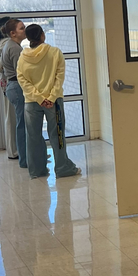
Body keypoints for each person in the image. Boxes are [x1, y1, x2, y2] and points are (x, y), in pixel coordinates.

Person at [17, 24, 81, 180]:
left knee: (33, 137)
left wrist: (38, 98)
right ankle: (63, 167)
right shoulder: (55, 52)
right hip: (54, 102)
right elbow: (59, 77)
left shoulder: (23, 57)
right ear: (42, 35)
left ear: (28, 38)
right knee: (57, 135)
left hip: (31, 102)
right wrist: (50, 97)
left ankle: (36, 170)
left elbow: (22, 80)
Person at [0, 19, 27, 169]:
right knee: (22, 124)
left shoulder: (11, 45)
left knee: (21, 122)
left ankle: (25, 156)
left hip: (13, 85)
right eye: (22, 28)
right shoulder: (15, 49)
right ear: (13, 33)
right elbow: (21, 71)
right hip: (17, 86)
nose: (25, 30)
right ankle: (24, 157)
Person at [0, 16, 18, 161]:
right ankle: (14, 151)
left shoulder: (6, 44)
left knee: (13, 117)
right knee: (13, 118)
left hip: (8, 83)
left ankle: (16, 150)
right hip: (12, 84)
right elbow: (1, 67)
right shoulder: (7, 45)